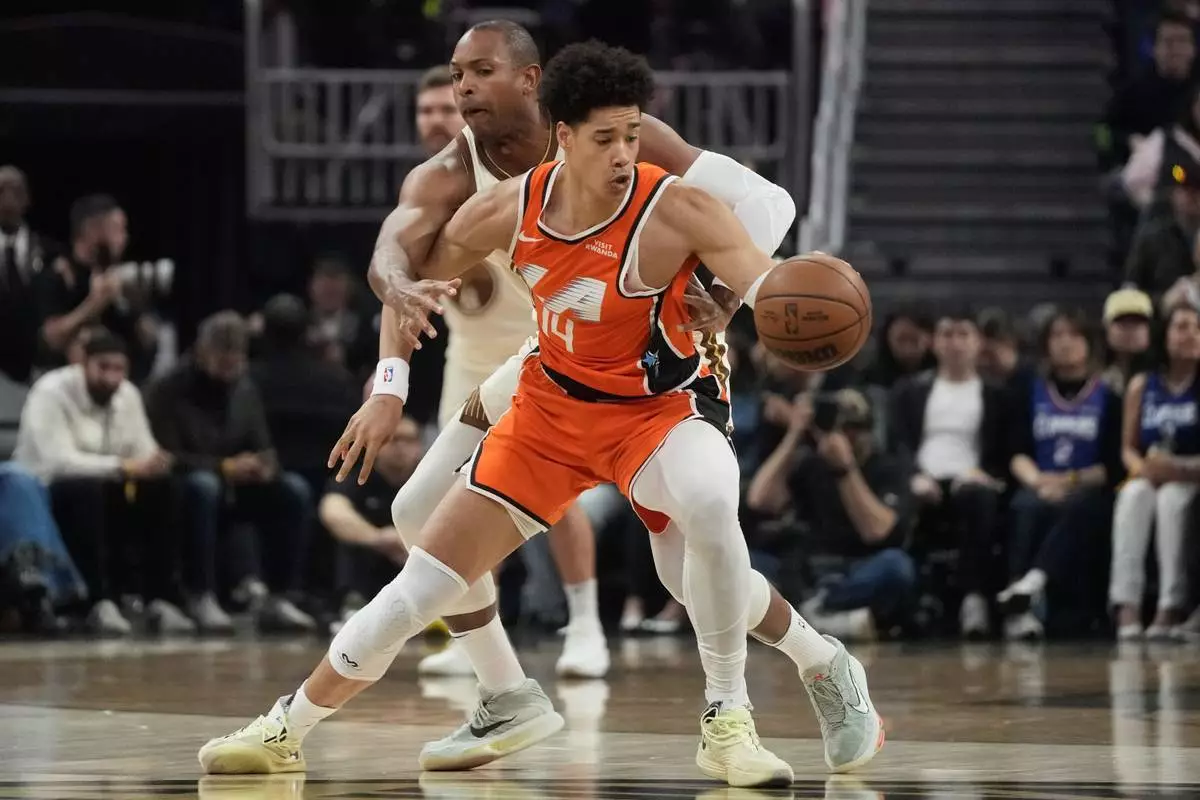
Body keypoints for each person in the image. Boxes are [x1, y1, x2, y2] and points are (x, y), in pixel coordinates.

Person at [200, 40, 881, 787]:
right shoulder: (485, 196)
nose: (622, 153)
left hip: (657, 402)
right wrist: (389, 385)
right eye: (605, 139)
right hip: (548, 393)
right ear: (563, 135)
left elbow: (764, 272)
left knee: (703, 533)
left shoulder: (675, 200)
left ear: (529, 86)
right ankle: (295, 725)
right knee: (421, 562)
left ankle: (736, 714)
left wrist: (743, 299)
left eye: (630, 136)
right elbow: (407, 279)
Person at [408, 61, 610, 677]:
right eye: (426, 110)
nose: (436, 119)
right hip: (467, 359)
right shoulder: (432, 184)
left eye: (446, 108)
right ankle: (476, 638)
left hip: (540, 350)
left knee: (557, 498)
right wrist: (389, 368)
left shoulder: (524, 163)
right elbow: (410, 280)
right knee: (452, 500)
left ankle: (587, 625)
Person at [145, 312, 316, 633]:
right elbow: (165, 456)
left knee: (294, 490)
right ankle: (201, 594)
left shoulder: (244, 388)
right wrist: (224, 467)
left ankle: (281, 596)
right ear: (201, 352)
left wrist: (264, 466)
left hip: (237, 482)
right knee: (204, 486)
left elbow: (262, 443)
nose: (230, 367)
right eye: (222, 359)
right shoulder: (167, 389)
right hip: (180, 485)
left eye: (235, 360)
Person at [13, 329, 187, 634]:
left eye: (119, 369)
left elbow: (144, 450)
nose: (111, 377)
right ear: (83, 364)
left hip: (108, 485)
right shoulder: (50, 392)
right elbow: (58, 461)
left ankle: (160, 599)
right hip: (48, 490)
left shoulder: (127, 394)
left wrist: (154, 463)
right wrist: (124, 466)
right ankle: (98, 602)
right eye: (103, 367)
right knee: (87, 490)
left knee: (161, 488)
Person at [746, 389, 917, 640]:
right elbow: (759, 500)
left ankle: (808, 612)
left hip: (860, 567)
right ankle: (823, 618)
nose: (844, 437)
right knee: (746, 563)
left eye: (852, 429)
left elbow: (876, 531)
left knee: (897, 566)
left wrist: (845, 470)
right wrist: (795, 434)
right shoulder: (811, 463)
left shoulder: (888, 468)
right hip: (810, 567)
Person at [999, 309, 1123, 640]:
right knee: (1025, 505)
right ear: (1046, 345)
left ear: (1090, 344)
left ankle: (1033, 583)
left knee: (1080, 508)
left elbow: (1112, 467)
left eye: (1074, 335)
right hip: (1039, 483)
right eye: (1057, 335)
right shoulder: (1029, 392)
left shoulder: (1109, 397)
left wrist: (1068, 481)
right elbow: (1016, 453)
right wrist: (1039, 482)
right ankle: (1019, 605)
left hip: (1087, 488)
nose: (1065, 343)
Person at [889, 311, 1009, 638]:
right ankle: (910, 604)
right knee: (904, 496)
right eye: (946, 334)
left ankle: (974, 599)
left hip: (971, 480)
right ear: (934, 342)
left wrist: (981, 473)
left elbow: (1005, 451)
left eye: (963, 334)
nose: (955, 343)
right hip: (924, 479)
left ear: (978, 342)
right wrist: (915, 475)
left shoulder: (997, 394)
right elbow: (897, 445)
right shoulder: (909, 390)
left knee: (978, 497)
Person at [1110, 302, 1200, 640]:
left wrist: (1175, 470)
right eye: (1181, 327)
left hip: (1190, 476)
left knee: (1172, 501)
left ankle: (1170, 605)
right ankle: (1126, 604)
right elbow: (1127, 448)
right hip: (1150, 474)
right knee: (1132, 496)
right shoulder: (1142, 384)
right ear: (1165, 335)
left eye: (1197, 328)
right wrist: (1142, 470)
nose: (1190, 335)